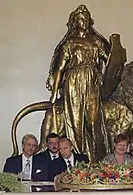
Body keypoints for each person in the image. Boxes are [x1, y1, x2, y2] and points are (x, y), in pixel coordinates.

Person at [46, 5, 110, 162]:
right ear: (75, 22)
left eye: (86, 19)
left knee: (94, 121)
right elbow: (60, 68)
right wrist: (54, 93)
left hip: (92, 81)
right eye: (81, 19)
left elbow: (109, 60)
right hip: (74, 82)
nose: (84, 22)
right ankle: (79, 160)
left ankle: (97, 160)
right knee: (76, 122)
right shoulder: (70, 43)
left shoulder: (95, 41)